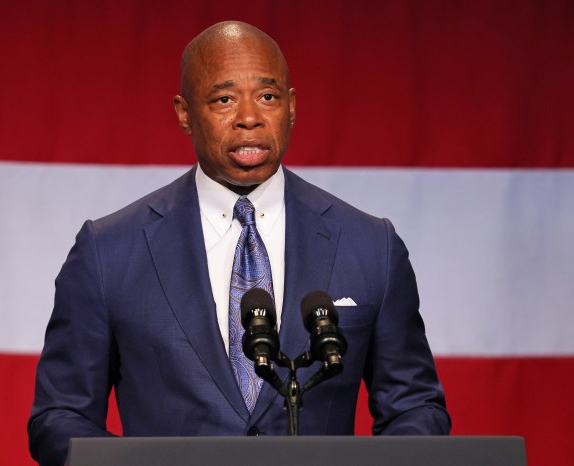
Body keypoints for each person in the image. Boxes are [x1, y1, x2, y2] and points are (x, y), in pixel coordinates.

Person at [28, 20, 450, 466]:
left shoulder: (370, 246)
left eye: (267, 97)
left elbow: (416, 408)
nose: (249, 117)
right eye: (224, 99)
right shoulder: (108, 250)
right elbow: (59, 417)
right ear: (184, 113)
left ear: (291, 107)